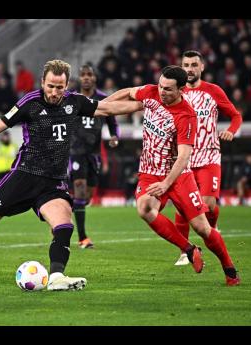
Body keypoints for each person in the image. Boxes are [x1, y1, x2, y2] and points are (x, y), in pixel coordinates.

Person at [0, 59, 130, 291]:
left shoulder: (74, 102)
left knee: (63, 225)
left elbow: (109, 108)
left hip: (53, 182)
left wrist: (149, 103)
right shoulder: (29, 103)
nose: (54, 92)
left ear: (67, 85)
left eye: (59, 87)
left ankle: (57, 277)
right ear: (42, 82)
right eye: (50, 86)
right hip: (24, 176)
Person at [100, 65, 240, 286]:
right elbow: (128, 92)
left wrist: (166, 184)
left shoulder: (186, 116)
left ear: (181, 90)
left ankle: (229, 269)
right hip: (149, 172)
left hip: (178, 176)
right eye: (160, 85)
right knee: (145, 208)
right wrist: (101, 105)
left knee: (202, 228)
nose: (162, 91)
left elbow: (184, 156)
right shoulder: (153, 92)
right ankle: (189, 249)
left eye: (168, 89)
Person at [173, 50, 242, 266]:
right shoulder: (176, 92)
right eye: (186, 65)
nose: (190, 69)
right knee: (183, 207)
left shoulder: (213, 91)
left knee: (208, 205)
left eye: (194, 64)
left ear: (202, 67)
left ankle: (211, 233)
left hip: (209, 156)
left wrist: (231, 130)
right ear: (181, 68)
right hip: (185, 158)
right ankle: (185, 252)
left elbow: (236, 115)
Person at [69, 64, 120, 249]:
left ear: (94, 78)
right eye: (82, 75)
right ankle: (83, 238)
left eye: (89, 74)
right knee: (80, 190)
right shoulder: (72, 98)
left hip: (94, 153)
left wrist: (114, 135)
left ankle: (63, 212)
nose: (86, 78)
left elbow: (112, 120)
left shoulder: (102, 99)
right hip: (75, 151)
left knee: (87, 197)